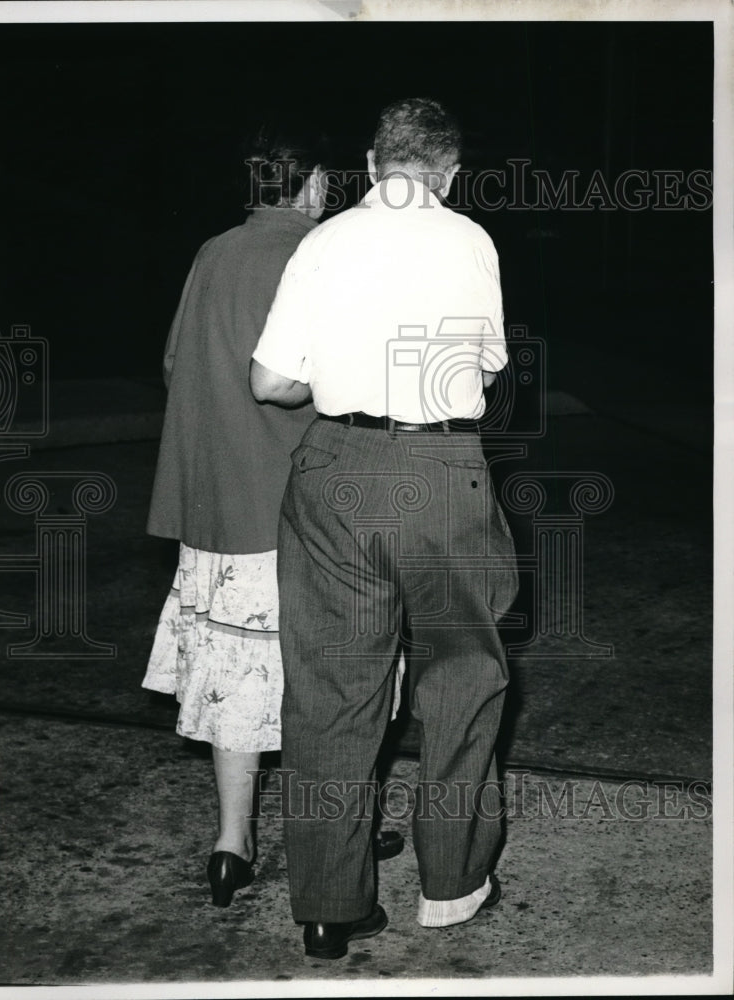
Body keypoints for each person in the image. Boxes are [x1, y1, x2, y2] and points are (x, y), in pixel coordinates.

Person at [251, 97, 519, 959]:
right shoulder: (470, 240)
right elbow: (486, 363)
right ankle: (451, 885)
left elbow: (270, 382)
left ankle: (328, 907)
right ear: (446, 172)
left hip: (333, 471)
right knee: (459, 680)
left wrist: (334, 371)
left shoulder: (321, 242)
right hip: (439, 472)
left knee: (329, 691)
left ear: (370, 164)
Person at [142, 123, 405, 912]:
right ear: (317, 184)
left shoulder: (213, 252)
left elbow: (170, 364)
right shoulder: (320, 252)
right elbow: (334, 380)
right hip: (303, 509)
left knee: (233, 681)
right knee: (338, 680)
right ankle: (336, 833)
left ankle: (232, 845)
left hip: (216, 506)